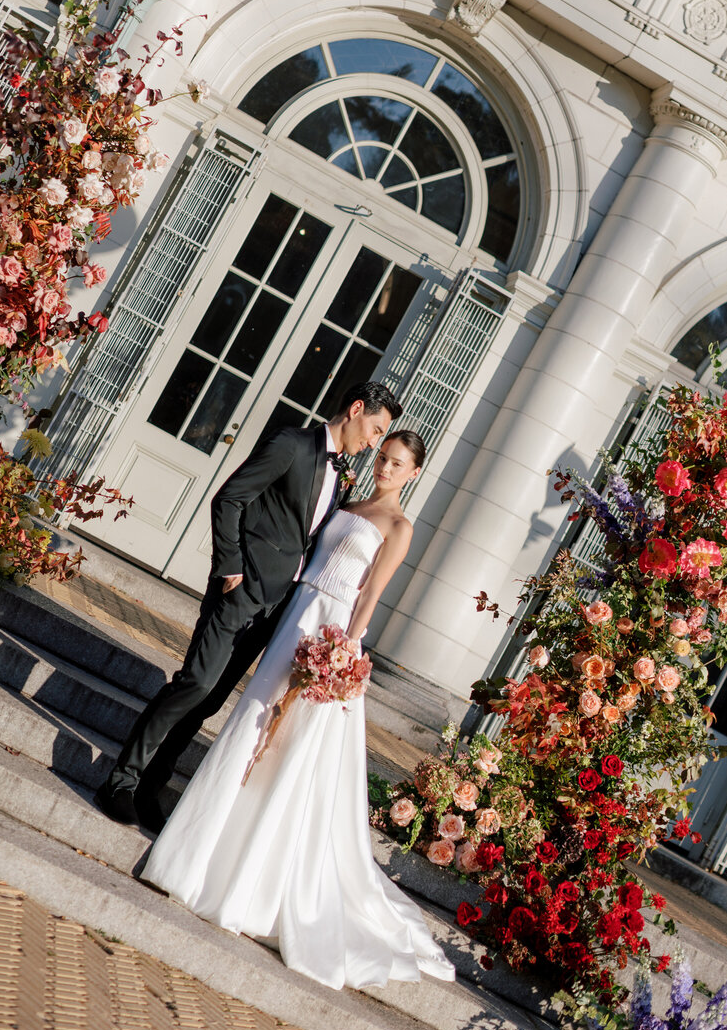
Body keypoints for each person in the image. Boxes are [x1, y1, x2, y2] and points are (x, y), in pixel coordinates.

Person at [140, 431, 456, 991]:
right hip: (298, 612)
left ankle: (245, 882)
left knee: (285, 748)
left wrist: (340, 655)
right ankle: (199, 853)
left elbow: (369, 595)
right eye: (383, 456)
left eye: (397, 463)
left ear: (413, 473)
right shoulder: (349, 501)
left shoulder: (399, 528)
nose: (384, 466)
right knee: (255, 724)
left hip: (330, 631)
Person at [94, 380, 402, 833]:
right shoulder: (291, 444)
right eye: (376, 429)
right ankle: (120, 781)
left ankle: (150, 787)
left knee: (212, 699)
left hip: (276, 610)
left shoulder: (342, 477)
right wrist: (230, 566)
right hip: (239, 592)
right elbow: (230, 498)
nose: (375, 442)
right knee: (194, 683)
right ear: (356, 409)